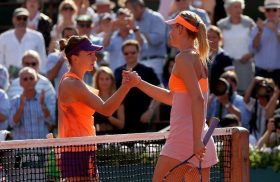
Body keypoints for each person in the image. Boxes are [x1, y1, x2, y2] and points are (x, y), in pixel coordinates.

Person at [128, 10, 218, 181]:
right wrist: (138, 83)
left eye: (173, 28)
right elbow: (172, 98)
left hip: (185, 138)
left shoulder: (183, 58)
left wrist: (196, 140)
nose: (170, 33)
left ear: (181, 30)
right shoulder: (197, 58)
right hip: (196, 137)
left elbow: (198, 99)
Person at [57, 35, 137, 181]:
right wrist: (126, 86)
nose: (95, 58)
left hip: (84, 148)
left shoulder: (76, 82)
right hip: (75, 150)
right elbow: (106, 109)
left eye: (94, 54)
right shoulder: (71, 83)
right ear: (75, 58)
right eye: (89, 54)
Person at [115, 40, 161, 133]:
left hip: (142, 118)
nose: (129, 55)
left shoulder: (147, 70)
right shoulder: (117, 71)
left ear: (139, 52)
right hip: (123, 120)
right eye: (126, 53)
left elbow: (160, 91)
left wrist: (150, 111)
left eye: (133, 52)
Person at [217, 0, 255, 95]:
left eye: (240, 6)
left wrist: (250, 54)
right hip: (227, 65)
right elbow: (217, 43)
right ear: (228, 9)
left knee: (245, 93)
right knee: (226, 91)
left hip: (245, 64)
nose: (239, 9)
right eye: (235, 7)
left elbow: (257, 42)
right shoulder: (221, 24)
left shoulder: (249, 23)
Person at [9, 67, 56, 140]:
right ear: (20, 83)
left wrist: (43, 105)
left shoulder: (44, 99)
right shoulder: (15, 100)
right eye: (25, 79)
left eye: (31, 78)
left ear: (36, 80)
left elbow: (51, 122)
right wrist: (21, 107)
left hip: (41, 148)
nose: (29, 81)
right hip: (21, 149)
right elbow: (12, 124)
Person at [0, 7, 47, 78]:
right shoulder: (3, 37)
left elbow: (43, 61)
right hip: (9, 80)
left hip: (31, 80)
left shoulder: (38, 37)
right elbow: (1, 61)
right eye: (19, 18)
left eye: (24, 18)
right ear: (13, 20)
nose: (22, 21)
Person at [93, 66, 125, 135]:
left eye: (107, 79)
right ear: (97, 80)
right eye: (101, 79)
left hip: (114, 138)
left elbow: (121, 125)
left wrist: (106, 113)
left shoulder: (118, 98)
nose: (104, 81)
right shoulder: (92, 97)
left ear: (112, 80)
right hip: (95, 138)